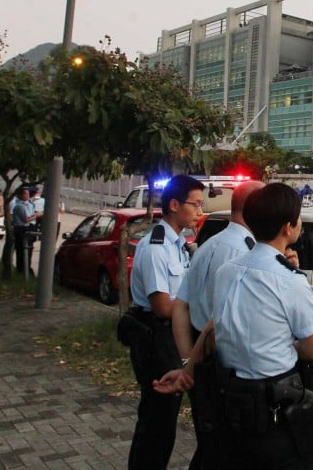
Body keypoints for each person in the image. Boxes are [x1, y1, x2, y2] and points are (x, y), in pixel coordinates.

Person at [156, 183, 313, 469]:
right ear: (289, 227)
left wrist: (188, 367)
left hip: (232, 400)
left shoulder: (228, 270)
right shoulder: (290, 280)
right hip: (276, 409)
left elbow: (213, 325)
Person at [171, 180, 265, 470]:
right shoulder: (240, 252)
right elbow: (221, 321)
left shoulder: (213, 243)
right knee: (223, 451)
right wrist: (193, 364)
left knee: (212, 445)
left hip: (204, 356)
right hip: (221, 362)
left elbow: (181, 305)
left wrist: (189, 361)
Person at [126, 174, 206, 470]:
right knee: (156, 421)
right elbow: (161, 306)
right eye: (195, 205)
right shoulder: (157, 247)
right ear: (174, 204)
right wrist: (196, 308)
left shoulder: (179, 244)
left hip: (171, 336)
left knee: (165, 419)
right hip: (156, 338)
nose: (200, 211)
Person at [10, 187, 38, 274]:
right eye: (26, 193)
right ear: (20, 195)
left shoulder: (29, 203)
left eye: (28, 193)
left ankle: (25, 268)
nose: (28, 195)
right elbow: (26, 219)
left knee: (28, 250)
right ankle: (22, 270)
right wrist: (37, 215)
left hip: (27, 227)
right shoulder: (19, 206)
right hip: (21, 229)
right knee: (22, 250)